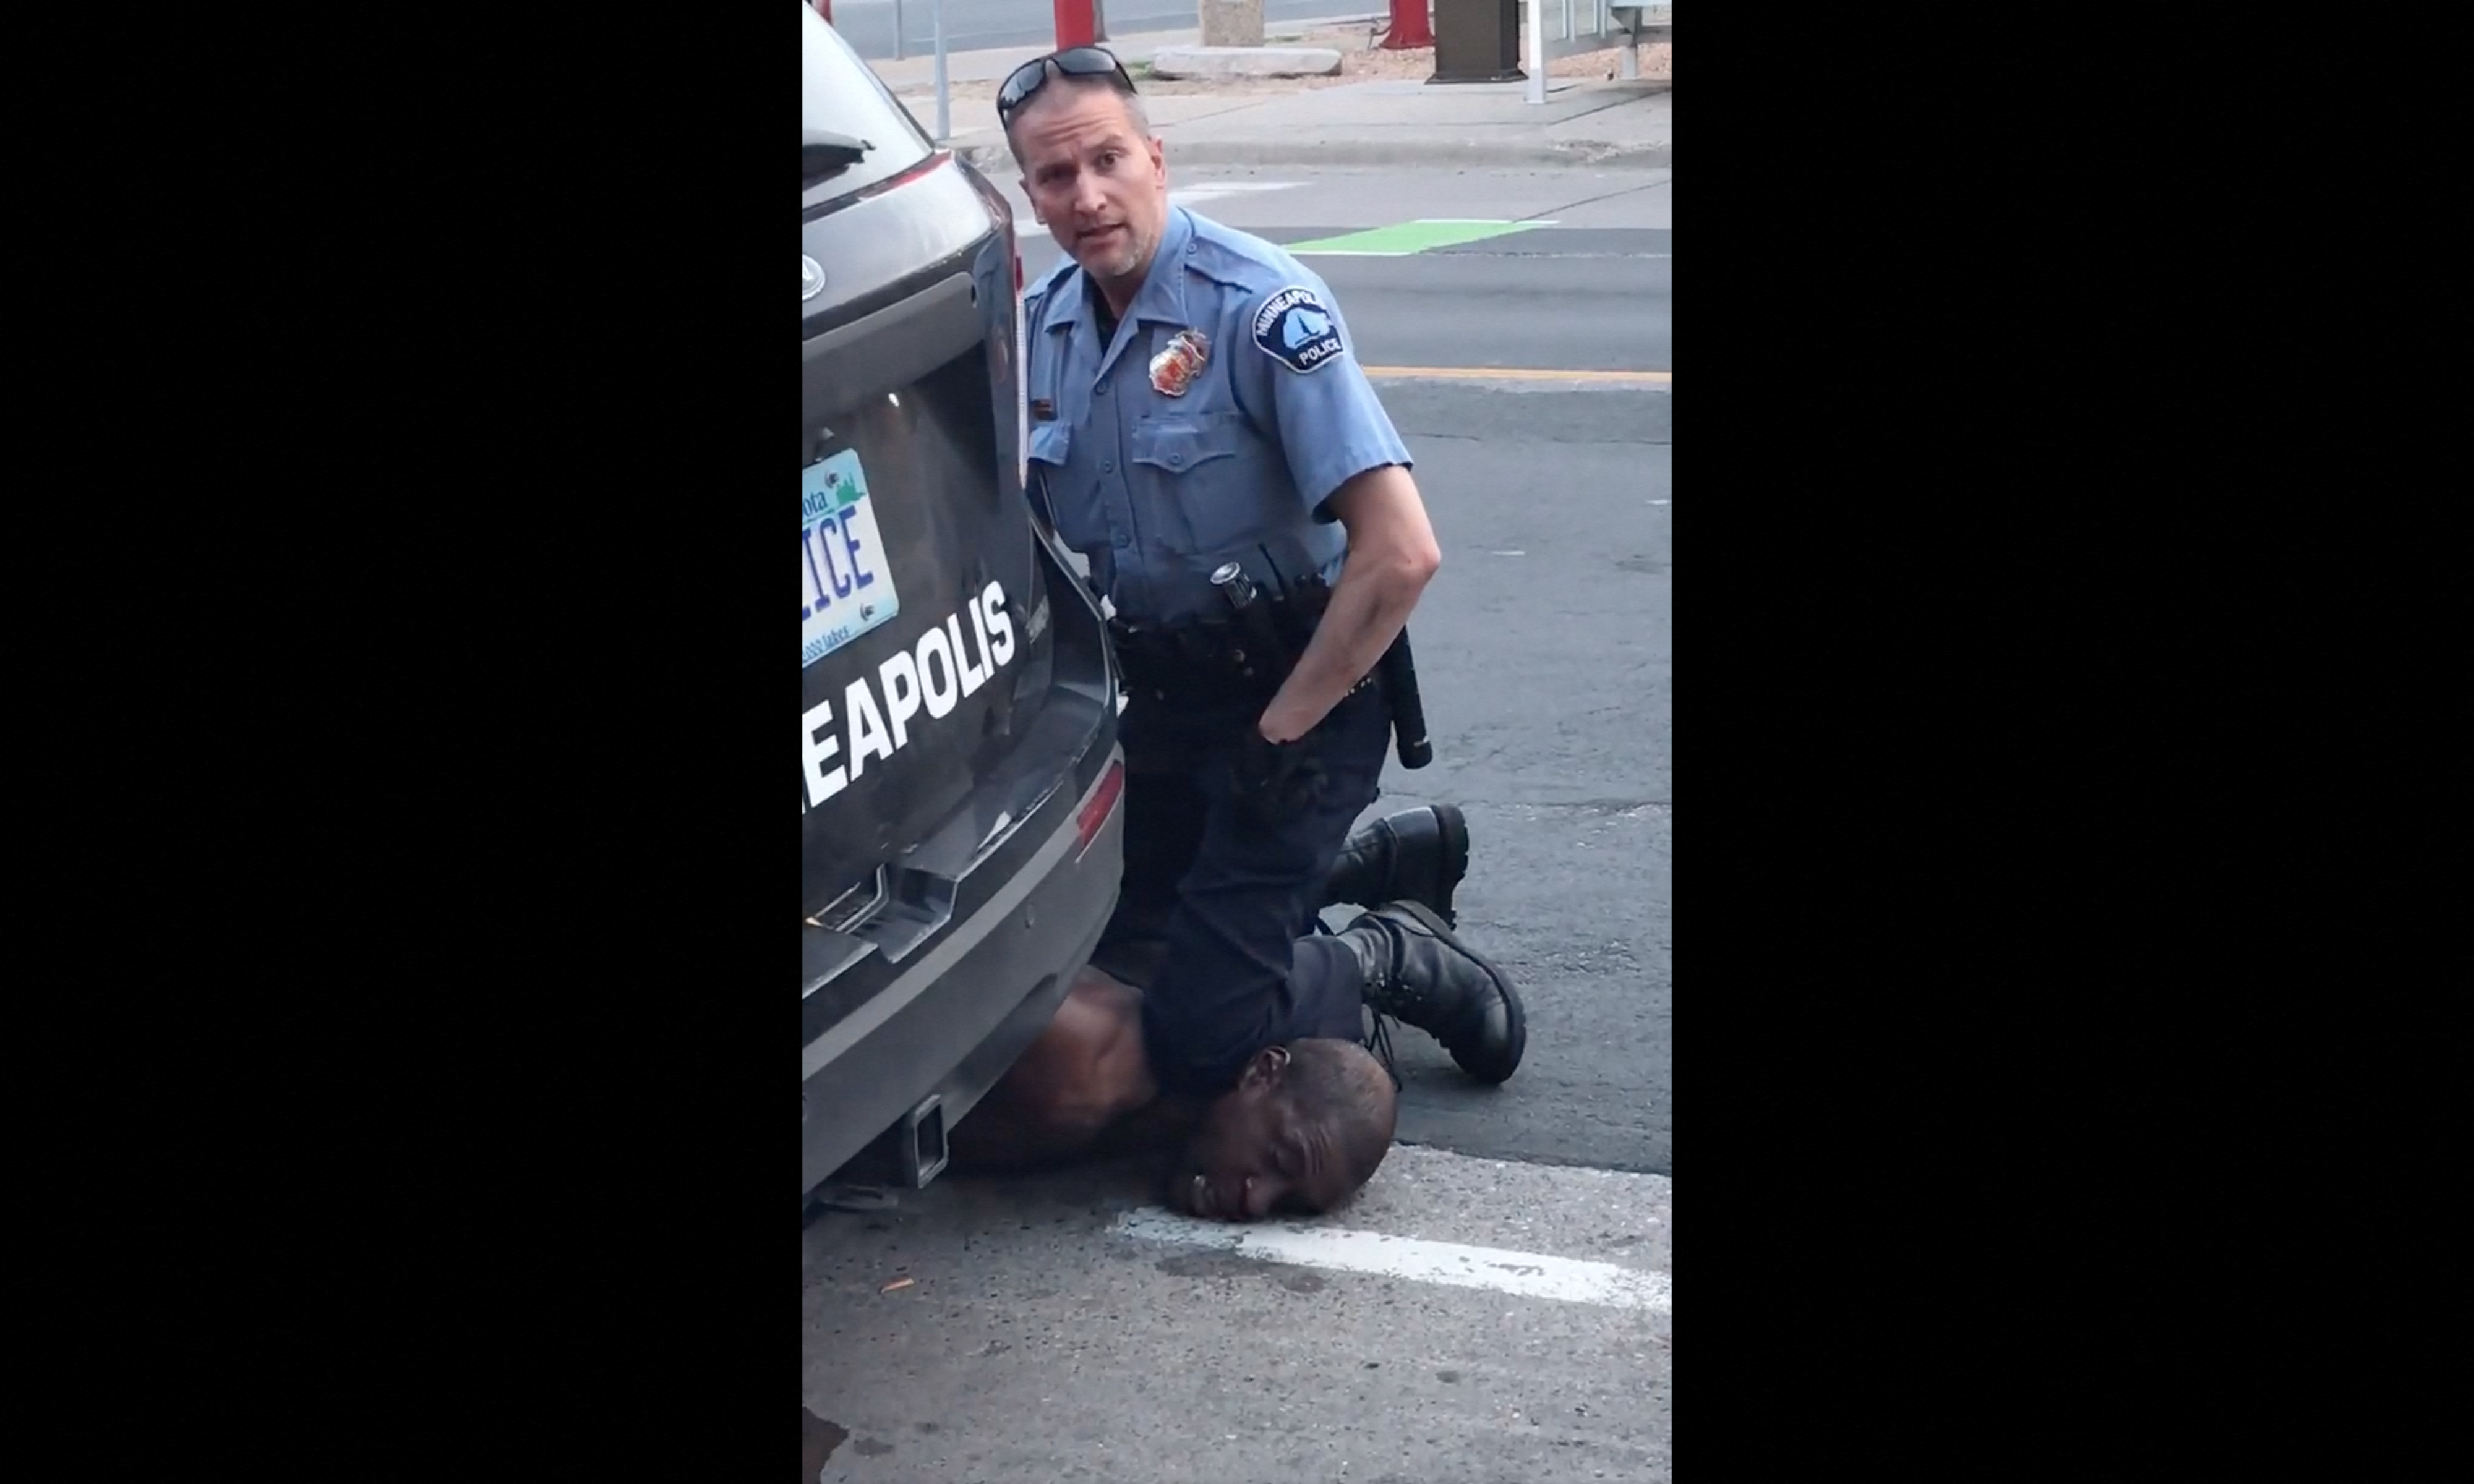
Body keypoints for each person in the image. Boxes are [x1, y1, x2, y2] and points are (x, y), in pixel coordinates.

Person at [996, 47, 1528, 1124]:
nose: (1088, 196)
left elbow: (1401, 552)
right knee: (1095, 954)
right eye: (1056, 178)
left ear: (1156, 157)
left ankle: (1388, 952)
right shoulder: (1045, 329)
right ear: (1030, 193)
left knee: (1199, 1036)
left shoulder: (1261, 308)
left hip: (1303, 700)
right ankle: (1364, 863)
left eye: (1108, 160)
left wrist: (1283, 733)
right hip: (1161, 701)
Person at [951, 807, 1472, 1220]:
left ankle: (1354, 869)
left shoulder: (1197, 1122)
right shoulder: (1080, 1070)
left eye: (1286, 1206)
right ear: (1259, 1072)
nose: (1256, 1202)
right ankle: (1379, 951)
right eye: (1278, 1161)